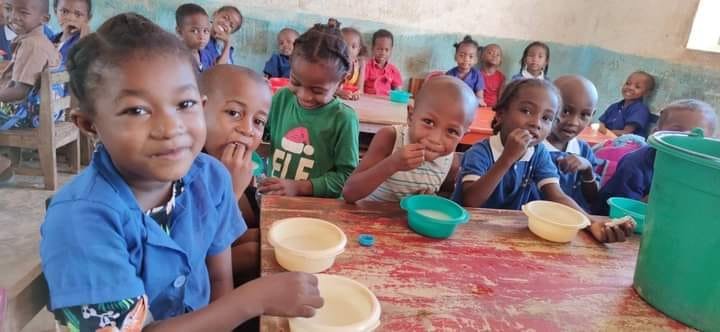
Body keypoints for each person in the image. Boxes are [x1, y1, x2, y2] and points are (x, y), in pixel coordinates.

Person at [41, 13, 322, 331]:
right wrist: (253, 300)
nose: (171, 127)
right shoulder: (82, 221)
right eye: (137, 110)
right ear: (90, 125)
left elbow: (219, 278)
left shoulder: (210, 177)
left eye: (184, 104)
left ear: (201, 105)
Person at [452, 79, 634, 243]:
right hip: (465, 233)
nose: (536, 123)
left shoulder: (538, 153)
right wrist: (507, 158)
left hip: (506, 236)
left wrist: (590, 222)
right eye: (526, 111)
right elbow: (471, 201)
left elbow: (556, 195)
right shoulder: (480, 152)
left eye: (547, 118)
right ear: (501, 115)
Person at [261, 24, 359, 198]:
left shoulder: (343, 119)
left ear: (341, 81)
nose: (304, 96)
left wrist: (298, 187)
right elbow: (263, 138)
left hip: (316, 209)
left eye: (318, 90)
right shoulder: (282, 98)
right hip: (275, 200)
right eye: (296, 82)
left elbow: (346, 178)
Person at [343, 75, 477, 203]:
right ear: (411, 115)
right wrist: (392, 164)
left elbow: (446, 194)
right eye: (428, 122)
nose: (435, 139)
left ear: (463, 135)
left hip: (408, 223)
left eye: (452, 131)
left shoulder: (450, 161)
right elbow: (349, 192)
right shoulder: (390, 138)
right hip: (367, 219)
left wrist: (432, 198)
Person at [595, 99, 717, 214]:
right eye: (678, 131)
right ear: (656, 134)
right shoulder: (635, 164)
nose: (686, 141)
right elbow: (617, 212)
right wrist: (655, 199)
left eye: (697, 135)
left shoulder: (706, 171)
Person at [540, 75, 600, 212]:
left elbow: (593, 198)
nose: (573, 122)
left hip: (576, 223)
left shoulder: (583, 150)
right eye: (565, 111)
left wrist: (588, 171)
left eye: (584, 115)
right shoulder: (532, 147)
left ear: (593, 114)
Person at [598, 71, 655, 137]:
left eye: (637, 87)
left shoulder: (640, 110)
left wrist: (605, 132)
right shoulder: (614, 106)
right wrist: (601, 128)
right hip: (608, 137)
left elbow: (626, 133)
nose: (630, 88)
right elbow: (602, 122)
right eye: (628, 83)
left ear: (646, 93)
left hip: (627, 143)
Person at [445, 35, 484, 106]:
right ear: (455, 57)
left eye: (471, 56)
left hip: (471, 105)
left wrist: (478, 101)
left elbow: (480, 97)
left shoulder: (477, 75)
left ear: (476, 60)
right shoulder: (449, 74)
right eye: (462, 55)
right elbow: (446, 94)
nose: (466, 59)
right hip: (453, 104)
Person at [363, 28, 402, 96]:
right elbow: (360, 86)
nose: (383, 53)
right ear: (373, 48)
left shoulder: (393, 70)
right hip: (369, 101)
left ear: (391, 51)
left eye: (387, 50)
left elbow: (398, 91)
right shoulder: (367, 66)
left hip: (385, 103)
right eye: (379, 49)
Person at [51, 0, 91, 64]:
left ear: (88, 18)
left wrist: (84, 41)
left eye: (78, 14)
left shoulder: (87, 43)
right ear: (55, 11)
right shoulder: (49, 40)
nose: (70, 18)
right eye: (64, 11)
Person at [175, 3, 211, 71]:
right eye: (194, 31)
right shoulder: (175, 57)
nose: (202, 37)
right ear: (179, 32)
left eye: (205, 31)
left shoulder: (207, 55)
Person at [336, 26, 366, 100]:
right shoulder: (334, 63)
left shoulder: (360, 64)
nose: (348, 50)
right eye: (344, 45)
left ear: (359, 49)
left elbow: (360, 89)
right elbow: (326, 87)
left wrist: (356, 93)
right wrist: (339, 92)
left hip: (351, 101)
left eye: (353, 46)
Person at [480, 43, 505, 108]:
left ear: (500, 60)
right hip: (479, 107)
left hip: (494, 108)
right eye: (490, 53)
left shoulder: (501, 77)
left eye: (498, 55)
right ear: (482, 56)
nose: (494, 56)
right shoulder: (475, 75)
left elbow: (501, 97)